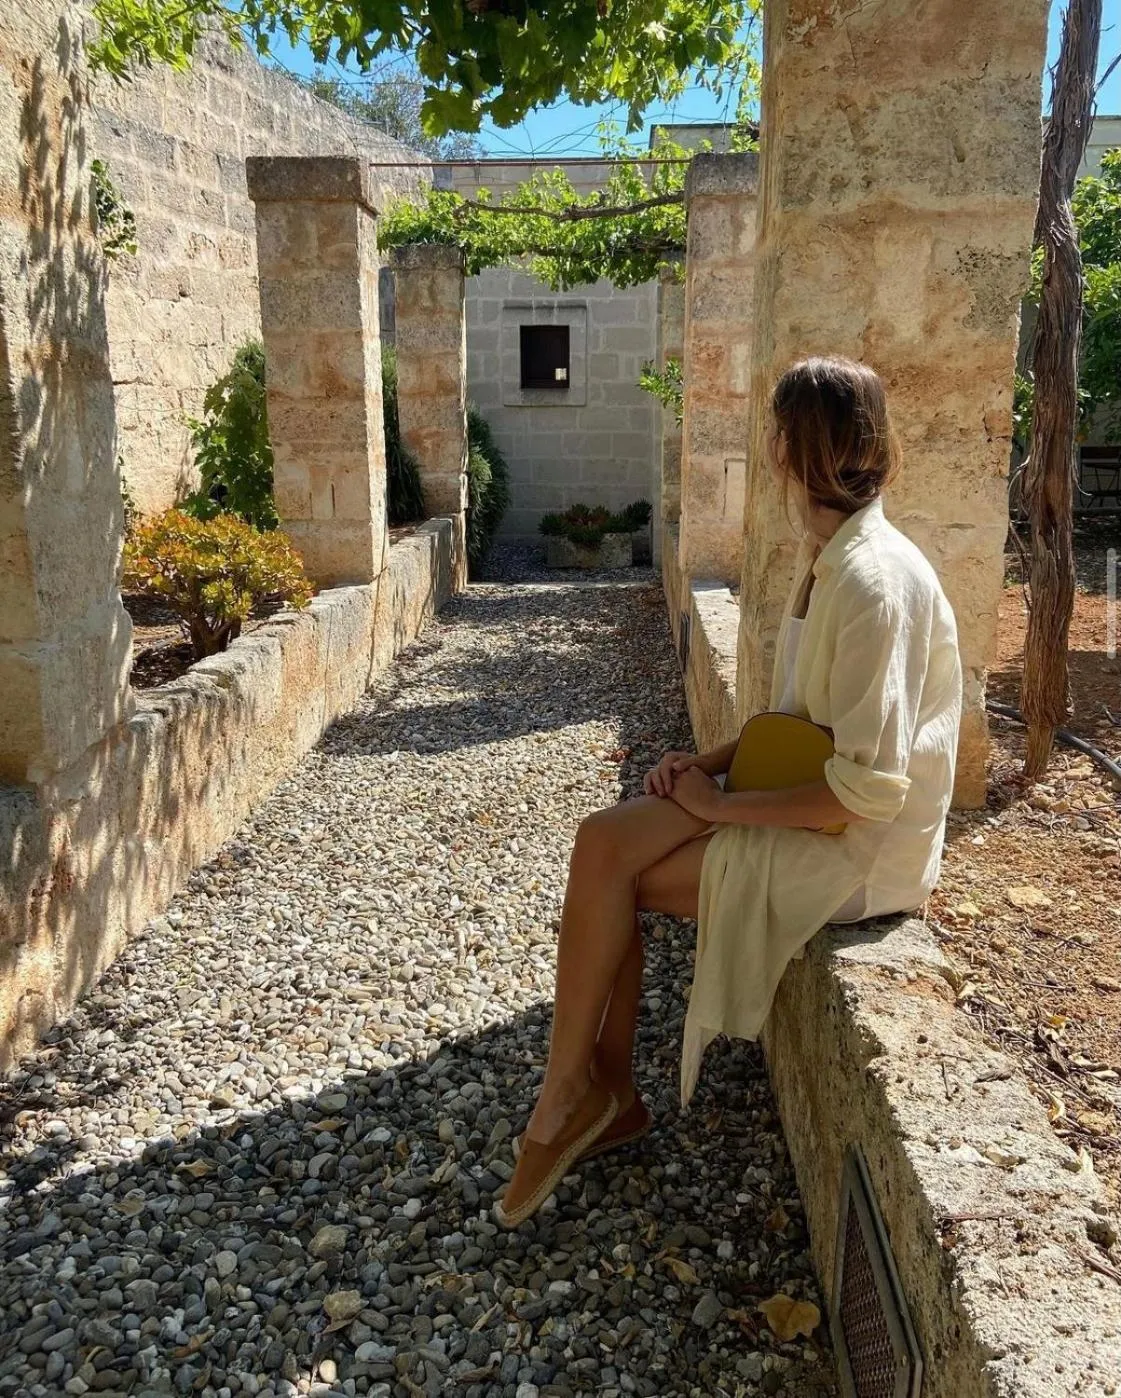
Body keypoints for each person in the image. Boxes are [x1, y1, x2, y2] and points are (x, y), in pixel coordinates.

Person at [495, 356, 963, 1229]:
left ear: (789, 450)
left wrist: (718, 810)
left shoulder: (871, 582)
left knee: (619, 880)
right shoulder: (834, 554)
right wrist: (704, 765)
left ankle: (580, 1101)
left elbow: (864, 792)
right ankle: (581, 1089)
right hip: (801, 802)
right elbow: (795, 724)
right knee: (603, 839)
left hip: (860, 854)